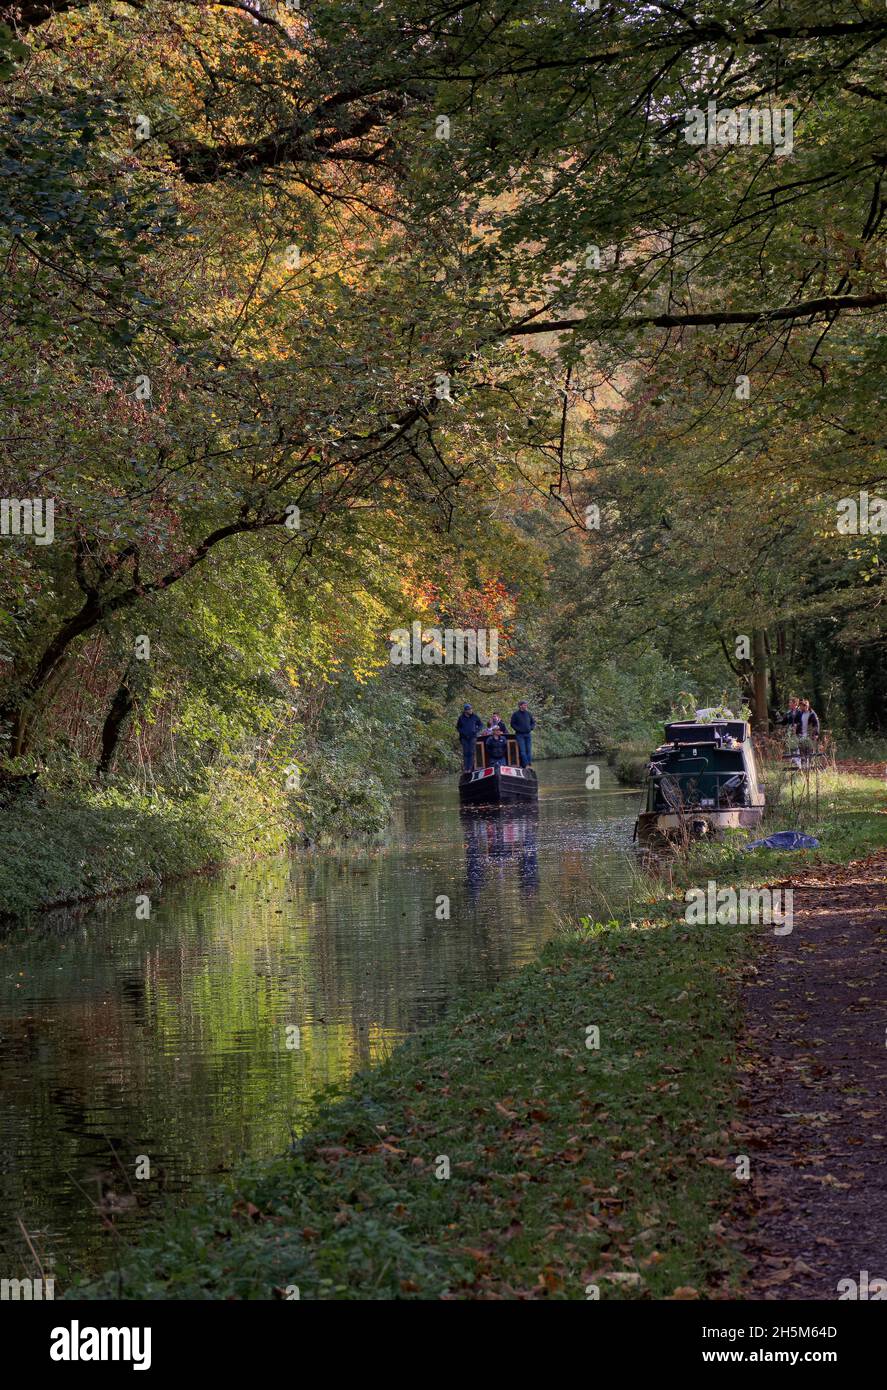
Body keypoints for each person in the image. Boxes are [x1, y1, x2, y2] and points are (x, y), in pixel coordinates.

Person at [456, 703, 483, 771]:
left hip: (473, 737)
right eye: (469, 709)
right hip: (464, 738)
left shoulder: (475, 716)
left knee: (471, 752)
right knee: (466, 752)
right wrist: (462, 732)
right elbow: (458, 727)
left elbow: (481, 725)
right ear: (465, 711)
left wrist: (476, 730)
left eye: (471, 709)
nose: (471, 710)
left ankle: (470, 768)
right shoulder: (461, 717)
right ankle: (466, 768)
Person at [510, 701, 536, 766]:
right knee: (522, 751)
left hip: (528, 734)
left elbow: (533, 722)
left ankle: (529, 764)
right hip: (519, 735)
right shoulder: (515, 714)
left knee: (529, 750)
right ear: (520, 706)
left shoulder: (529, 713)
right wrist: (518, 729)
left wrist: (531, 728)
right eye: (524, 705)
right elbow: (512, 724)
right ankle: (526, 765)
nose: (526, 706)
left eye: (526, 705)